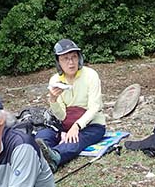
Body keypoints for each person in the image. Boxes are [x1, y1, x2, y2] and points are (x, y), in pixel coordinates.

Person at [34, 39, 106, 172]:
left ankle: (54, 157)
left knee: (75, 140)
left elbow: (94, 107)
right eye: (65, 58)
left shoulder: (91, 75)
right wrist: (53, 99)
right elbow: (61, 116)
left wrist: (77, 126)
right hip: (65, 124)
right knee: (42, 136)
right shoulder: (55, 80)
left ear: (79, 58)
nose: (71, 62)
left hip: (91, 124)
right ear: (58, 62)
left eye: (74, 57)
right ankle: (37, 156)